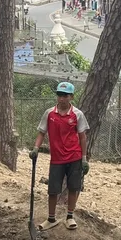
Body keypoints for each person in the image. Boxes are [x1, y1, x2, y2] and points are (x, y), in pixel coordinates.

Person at [30, 81, 89, 231]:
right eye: (59, 95)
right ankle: (51, 218)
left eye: (65, 96)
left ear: (71, 97)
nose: (61, 98)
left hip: (74, 156)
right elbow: (42, 132)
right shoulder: (49, 113)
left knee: (73, 187)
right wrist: (36, 148)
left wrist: (84, 158)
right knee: (53, 189)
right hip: (56, 157)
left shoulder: (77, 114)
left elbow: (82, 137)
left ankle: (70, 216)